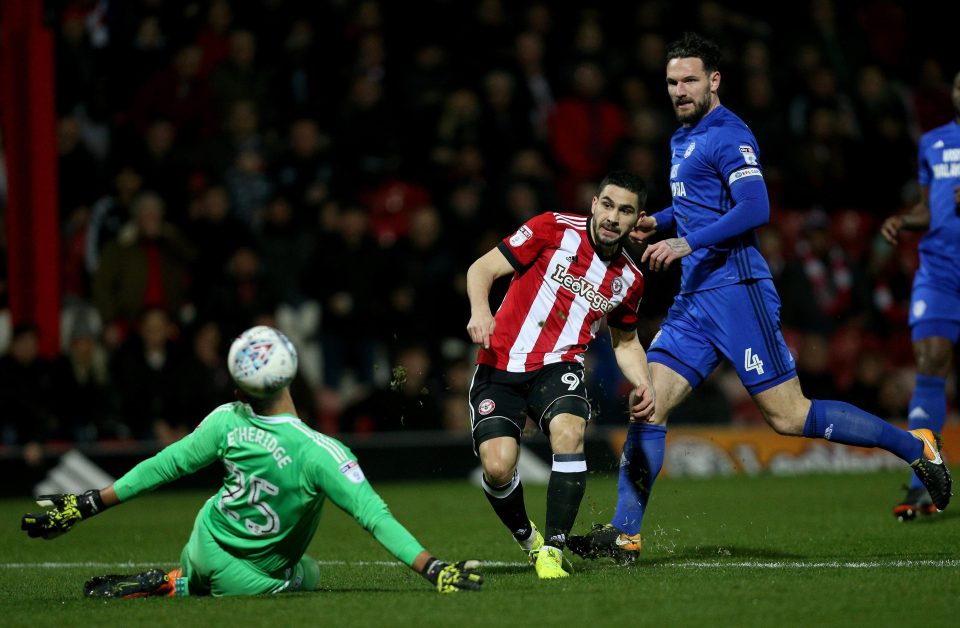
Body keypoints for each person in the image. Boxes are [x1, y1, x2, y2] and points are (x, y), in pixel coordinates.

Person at [566, 32, 952, 565]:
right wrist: (664, 220)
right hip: (696, 296)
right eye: (673, 82)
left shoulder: (730, 134)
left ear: (714, 81)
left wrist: (686, 241)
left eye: (690, 80)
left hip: (738, 292)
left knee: (789, 417)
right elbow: (699, 203)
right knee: (646, 403)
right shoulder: (683, 137)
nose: (679, 90)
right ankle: (625, 534)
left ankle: (918, 448)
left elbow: (755, 208)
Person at [21, 325, 482, 597]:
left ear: (240, 388)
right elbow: (374, 517)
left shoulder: (225, 419)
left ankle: (188, 573)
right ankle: (173, 584)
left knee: (294, 567)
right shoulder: (320, 452)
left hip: (202, 537)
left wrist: (88, 504)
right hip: (245, 576)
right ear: (293, 369)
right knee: (307, 576)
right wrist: (433, 567)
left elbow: (162, 467)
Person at [465, 170, 655, 579]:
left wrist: (644, 383)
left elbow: (625, 342)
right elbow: (482, 269)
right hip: (500, 364)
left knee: (569, 431)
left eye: (625, 211)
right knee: (497, 468)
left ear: (637, 220)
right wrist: (481, 311)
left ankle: (553, 547)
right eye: (607, 205)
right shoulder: (551, 228)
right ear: (594, 203)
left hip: (561, 365)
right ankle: (529, 539)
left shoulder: (630, 280)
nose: (612, 217)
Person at [879, 69, 960, 521]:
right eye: (958, 85)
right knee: (929, 360)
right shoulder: (934, 141)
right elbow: (932, 207)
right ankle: (921, 478)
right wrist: (904, 220)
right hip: (940, 271)